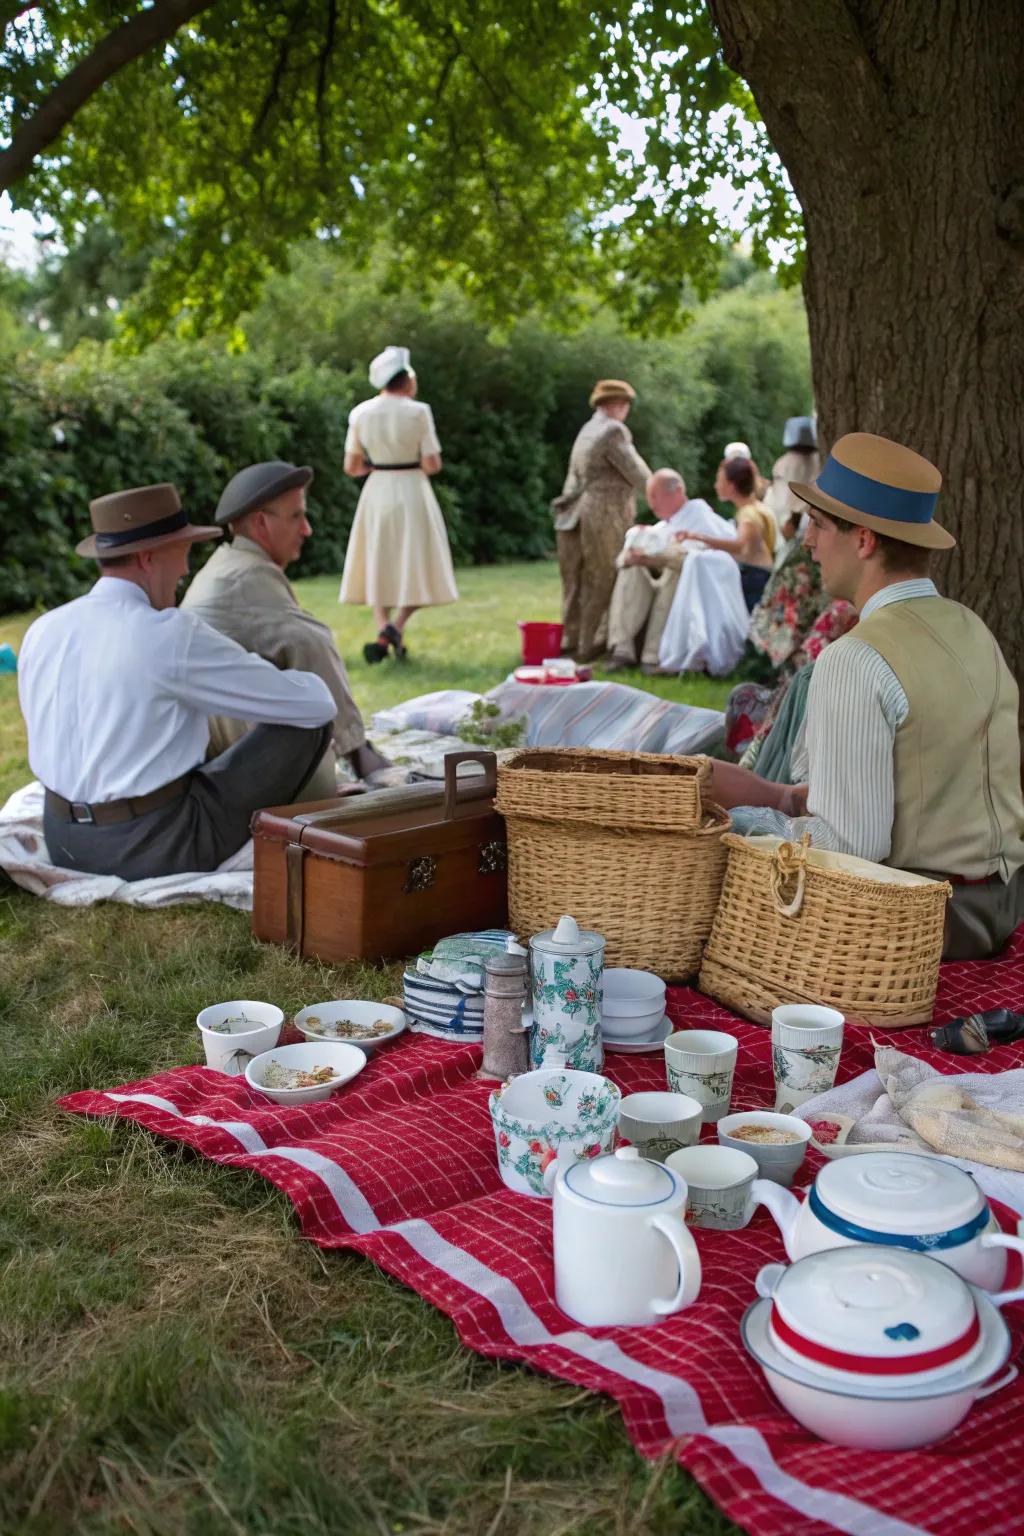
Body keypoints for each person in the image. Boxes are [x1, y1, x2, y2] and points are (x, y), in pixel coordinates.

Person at [709, 431, 1024, 960]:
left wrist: (743, 819)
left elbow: (853, 849)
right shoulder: (971, 627)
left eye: (819, 524)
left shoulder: (855, 658)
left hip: (919, 924)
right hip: (1003, 903)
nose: (808, 541)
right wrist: (783, 795)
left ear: (865, 540)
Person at [18, 483, 335, 881]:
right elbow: (316, 704)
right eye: (182, 552)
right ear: (149, 558)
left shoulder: (44, 629)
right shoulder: (170, 634)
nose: (186, 570)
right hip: (152, 846)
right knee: (309, 724)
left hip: (63, 839)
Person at [181, 460, 390, 793]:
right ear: (261, 523)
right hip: (233, 756)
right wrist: (357, 750)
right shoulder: (247, 575)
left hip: (211, 744)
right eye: (297, 516)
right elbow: (312, 646)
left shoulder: (228, 565)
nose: (307, 529)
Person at [340, 345, 458, 663]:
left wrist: (377, 466)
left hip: (378, 489)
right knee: (419, 560)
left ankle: (384, 630)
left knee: (379, 562)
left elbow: (351, 467)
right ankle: (396, 626)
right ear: (406, 380)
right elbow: (432, 463)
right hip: (412, 489)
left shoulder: (361, 413)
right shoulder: (418, 411)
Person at [553, 379, 651, 661]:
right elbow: (637, 472)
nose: (626, 411)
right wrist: (665, 497)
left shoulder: (587, 429)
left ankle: (570, 640)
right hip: (603, 511)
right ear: (616, 405)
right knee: (604, 575)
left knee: (575, 580)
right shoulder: (613, 430)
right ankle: (592, 643)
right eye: (625, 405)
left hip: (573, 512)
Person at [604, 468, 732, 673]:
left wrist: (657, 557)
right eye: (648, 497)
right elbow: (622, 560)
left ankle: (653, 655)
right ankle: (623, 648)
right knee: (631, 568)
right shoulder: (662, 526)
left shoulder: (702, 519)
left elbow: (700, 560)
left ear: (677, 491)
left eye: (655, 495)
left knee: (676, 573)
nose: (651, 502)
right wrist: (631, 559)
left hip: (687, 587)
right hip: (656, 587)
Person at [687, 455, 777, 611]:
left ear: (731, 485)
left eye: (719, 480)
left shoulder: (748, 515)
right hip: (760, 575)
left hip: (754, 578)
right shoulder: (759, 508)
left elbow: (740, 547)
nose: (716, 486)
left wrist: (700, 538)